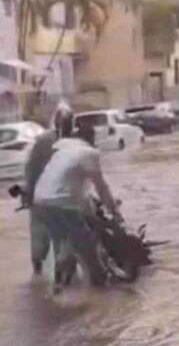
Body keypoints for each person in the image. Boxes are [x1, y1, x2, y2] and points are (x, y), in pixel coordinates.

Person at [33, 122, 123, 292]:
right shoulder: (88, 153)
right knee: (86, 245)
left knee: (64, 242)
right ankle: (100, 287)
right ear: (92, 139)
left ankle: (60, 284)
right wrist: (115, 214)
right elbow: (101, 187)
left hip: (40, 201)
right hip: (60, 203)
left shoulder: (63, 150)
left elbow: (75, 187)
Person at [24, 101, 74, 275]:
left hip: (42, 197)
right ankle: (56, 273)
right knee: (60, 238)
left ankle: (39, 273)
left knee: (41, 236)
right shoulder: (71, 141)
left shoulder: (44, 140)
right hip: (57, 199)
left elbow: (30, 168)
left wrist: (28, 192)